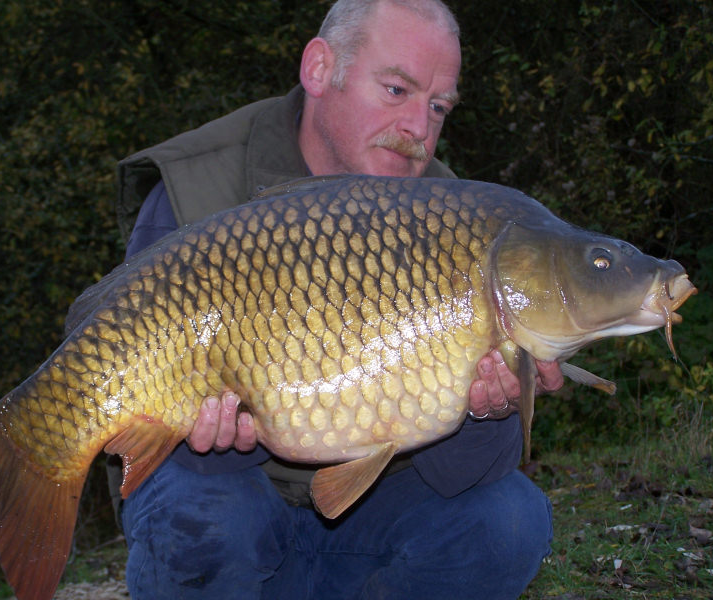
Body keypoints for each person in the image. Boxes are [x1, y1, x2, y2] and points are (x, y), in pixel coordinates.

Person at [114, 1, 563, 598]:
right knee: (203, 517)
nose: (418, 128)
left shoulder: (458, 219)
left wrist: (488, 410)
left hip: (379, 509)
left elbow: (468, 474)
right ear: (321, 69)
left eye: (438, 107)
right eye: (397, 89)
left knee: (510, 521)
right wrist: (209, 440)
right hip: (235, 503)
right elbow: (134, 432)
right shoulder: (195, 190)